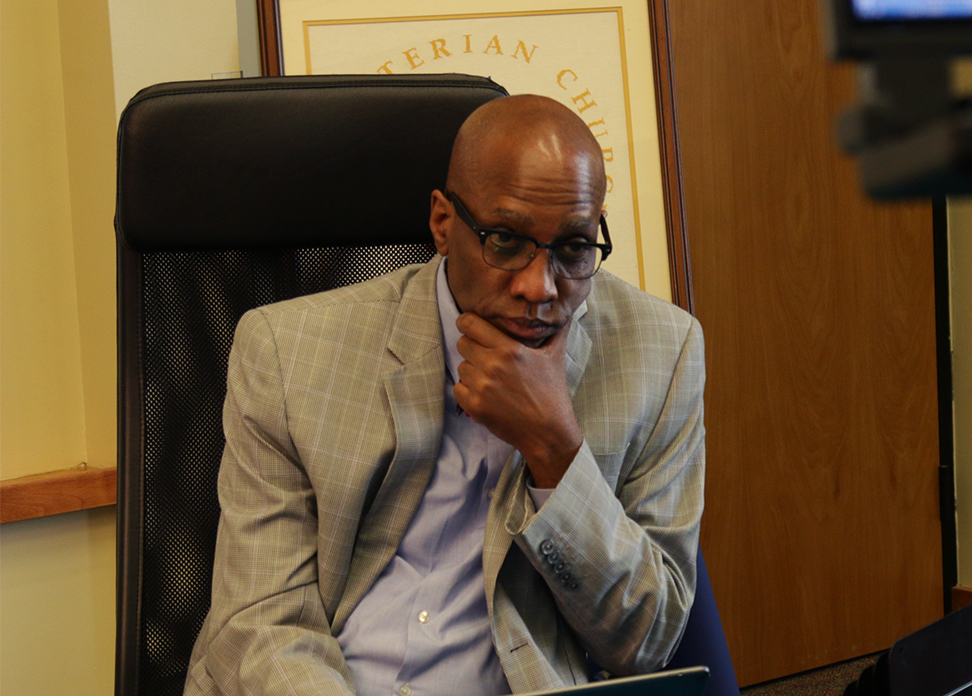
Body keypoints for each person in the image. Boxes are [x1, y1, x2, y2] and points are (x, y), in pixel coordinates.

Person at [183, 95, 705, 696]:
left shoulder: (661, 354)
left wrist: (555, 449)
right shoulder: (286, 350)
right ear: (441, 223)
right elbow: (259, 622)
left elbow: (645, 640)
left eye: (573, 249)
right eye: (505, 240)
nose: (539, 288)